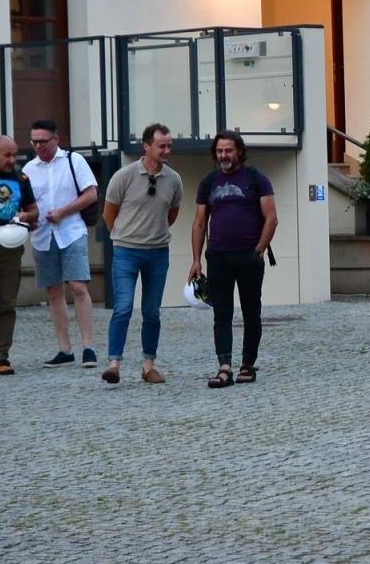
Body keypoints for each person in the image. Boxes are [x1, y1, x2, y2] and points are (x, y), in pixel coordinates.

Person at [189, 131, 278, 388]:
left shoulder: (256, 178)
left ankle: (247, 365)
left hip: (249, 256)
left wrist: (258, 251)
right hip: (218, 258)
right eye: (219, 151)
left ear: (239, 151)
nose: (223, 155)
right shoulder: (208, 182)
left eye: (228, 150)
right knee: (222, 315)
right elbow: (199, 223)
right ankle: (224, 367)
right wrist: (196, 259)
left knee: (251, 312)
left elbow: (271, 219)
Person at [101, 124, 183, 385]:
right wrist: (124, 236)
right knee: (123, 307)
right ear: (146, 146)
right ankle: (114, 364)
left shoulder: (174, 179)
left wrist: (154, 232)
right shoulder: (123, 176)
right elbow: (109, 214)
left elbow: (172, 213)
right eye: (161, 146)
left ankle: (149, 366)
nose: (166, 150)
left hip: (157, 252)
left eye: (169, 145)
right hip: (126, 251)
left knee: (152, 311)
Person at [24, 119, 99, 368]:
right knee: (53, 291)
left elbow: (91, 194)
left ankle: (88, 346)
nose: (38, 146)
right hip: (42, 236)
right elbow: (26, 204)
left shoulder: (73, 160)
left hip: (71, 231)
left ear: (55, 139)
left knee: (78, 286)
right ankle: (64, 349)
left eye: (43, 141)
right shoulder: (29, 169)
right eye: (34, 141)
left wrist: (63, 212)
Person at [0, 136, 38, 375]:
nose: (12, 160)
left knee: (7, 303)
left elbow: (34, 211)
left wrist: (25, 216)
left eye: (14, 155)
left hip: (10, 246)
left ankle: (1, 356)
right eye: (7, 155)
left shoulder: (20, 178)